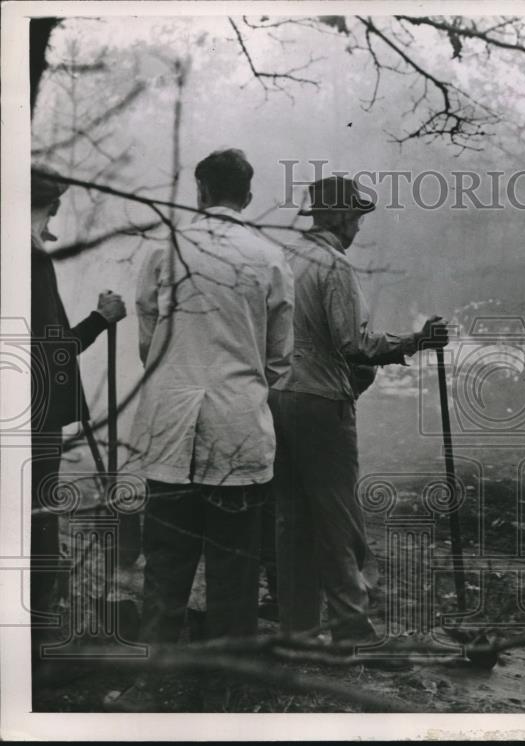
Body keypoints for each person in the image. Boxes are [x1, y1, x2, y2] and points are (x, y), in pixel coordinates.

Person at [116, 149, 294, 710]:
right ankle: (224, 685)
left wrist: (176, 374)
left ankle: (151, 681)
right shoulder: (269, 256)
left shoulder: (165, 249)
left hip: (171, 429)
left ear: (199, 190)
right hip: (238, 432)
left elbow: (148, 336)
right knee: (234, 567)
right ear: (246, 195)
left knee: (166, 561)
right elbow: (279, 359)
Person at [270, 174, 448, 641]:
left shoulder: (284, 259)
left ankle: (298, 630)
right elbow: (354, 344)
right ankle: (352, 627)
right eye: (353, 215)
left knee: (292, 518)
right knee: (337, 516)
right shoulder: (334, 267)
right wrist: (417, 340)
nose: (357, 227)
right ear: (335, 216)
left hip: (279, 399)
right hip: (322, 404)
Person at [30, 165, 127, 666]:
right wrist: (100, 319)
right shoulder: (28, 260)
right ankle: (38, 652)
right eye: (52, 207)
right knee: (37, 526)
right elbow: (52, 354)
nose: (54, 220)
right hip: (33, 421)